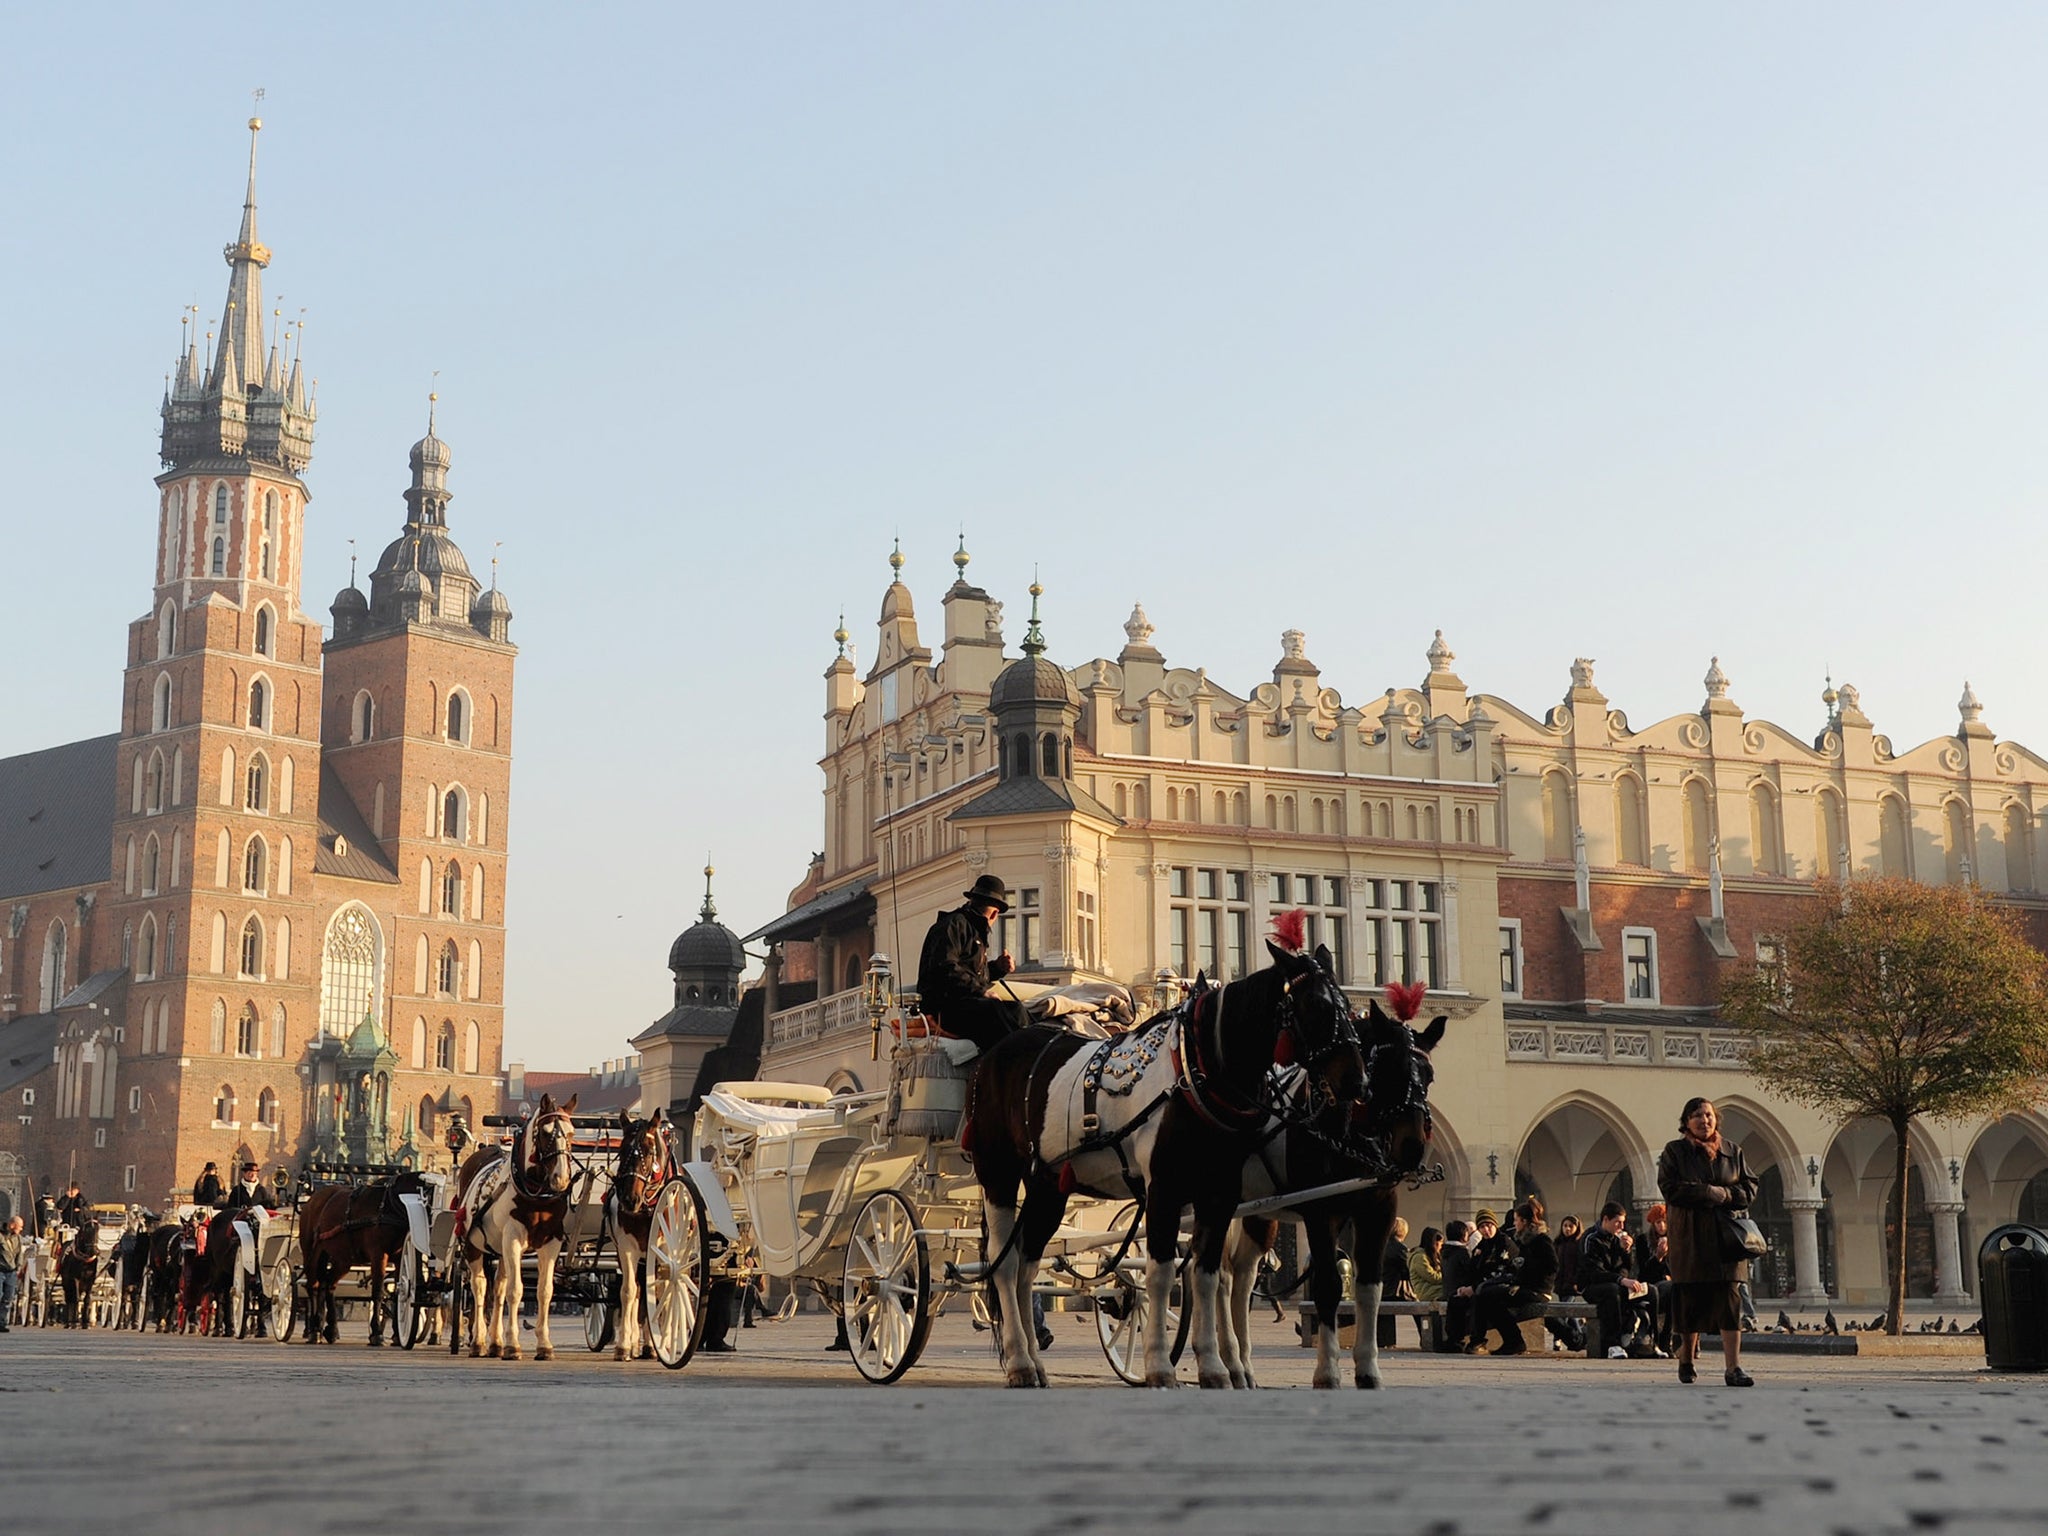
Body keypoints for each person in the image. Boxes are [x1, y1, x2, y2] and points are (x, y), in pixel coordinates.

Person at [1657, 1097, 1760, 1387]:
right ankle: (1686, 1360)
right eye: (1697, 1116)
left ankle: (1733, 1368)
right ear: (1686, 1122)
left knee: (1730, 1301)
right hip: (1690, 1238)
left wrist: (1725, 1195)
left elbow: (1749, 1187)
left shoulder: (1732, 1151)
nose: (1705, 1120)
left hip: (1727, 1239)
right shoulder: (1675, 1152)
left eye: (1709, 1115)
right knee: (1690, 1300)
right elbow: (1670, 1188)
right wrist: (1707, 1193)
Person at [916, 875, 1029, 1053]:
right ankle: (1013, 1061)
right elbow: (945, 968)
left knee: (1017, 1010)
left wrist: (997, 968)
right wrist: (982, 990)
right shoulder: (954, 925)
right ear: (994, 913)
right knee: (994, 1010)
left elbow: (969, 974)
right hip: (944, 1009)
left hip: (963, 1004)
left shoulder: (969, 928)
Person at [1470, 1198, 1558, 1356]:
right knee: (1486, 1295)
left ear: (1524, 1221)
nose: (1515, 1223)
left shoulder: (1541, 1240)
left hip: (1537, 1290)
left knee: (1490, 1297)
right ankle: (1506, 1340)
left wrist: (1527, 1270)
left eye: (1516, 1220)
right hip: (1523, 1287)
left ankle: (1514, 1341)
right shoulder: (1524, 1240)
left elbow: (1552, 1266)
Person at [1580, 1201, 1660, 1359]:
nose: (1621, 1227)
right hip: (1592, 1287)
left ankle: (1653, 1341)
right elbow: (1594, 1272)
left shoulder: (1618, 1239)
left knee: (1652, 1291)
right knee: (1612, 1290)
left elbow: (1626, 1268)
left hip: (1618, 1283)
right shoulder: (1590, 1239)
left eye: (1623, 1222)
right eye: (1617, 1222)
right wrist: (1621, 1280)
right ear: (1605, 1220)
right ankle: (1612, 1343)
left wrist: (1627, 1251)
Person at [1437, 1219, 1476, 1352]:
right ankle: (1459, 1340)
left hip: (1448, 1291)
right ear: (1463, 1235)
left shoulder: (1444, 1252)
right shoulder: (1461, 1252)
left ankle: (1452, 1340)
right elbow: (1470, 1274)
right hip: (1460, 1291)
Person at [1377, 1216, 1414, 1349]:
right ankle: (1426, 1337)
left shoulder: (1380, 1246)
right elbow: (1406, 1269)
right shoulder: (1400, 1248)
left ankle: (1385, 1342)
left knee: (1385, 1318)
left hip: (1382, 1287)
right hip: (1397, 1288)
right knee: (1417, 1307)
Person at [0, 1216, 22, 1332]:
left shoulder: (17, 1238)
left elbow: (19, 1252)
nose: (21, 1229)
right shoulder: (1, 1236)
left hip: (11, 1272)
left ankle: (1, 1322)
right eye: (20, 1227)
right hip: (0, 1270)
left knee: (8, 1298)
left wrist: (18, 1266)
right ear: (12, 1225)